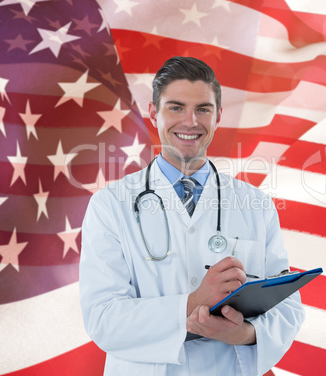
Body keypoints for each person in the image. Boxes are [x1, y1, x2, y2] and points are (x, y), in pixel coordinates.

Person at [79, 56, 305, 375]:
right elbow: (102, 318)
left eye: (203, 109)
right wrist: (193, 303)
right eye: (175, 107)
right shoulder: (110, 205)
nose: (190, 121)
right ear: (153, 113)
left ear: (218, 116)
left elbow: (287, 308)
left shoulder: (257, 205)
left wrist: (244, 334)